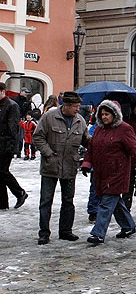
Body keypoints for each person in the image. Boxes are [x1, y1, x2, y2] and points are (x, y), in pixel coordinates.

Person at [82, 100, 136, 245]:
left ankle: (98, 233)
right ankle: (128, 226)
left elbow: (135, 148)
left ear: (114, 114)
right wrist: (87, 164)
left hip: (118, 172)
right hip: (102, 172)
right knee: (114, 201)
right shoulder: (100, 129)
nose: (104, 117)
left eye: (107, 114)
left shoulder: (124, 128)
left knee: (106, 203)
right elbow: (92, 148)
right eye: (102, 114)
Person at [32, 91, 88, 244]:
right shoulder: (49, 117)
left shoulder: (80, 121)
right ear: (67, 106)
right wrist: (48, 153)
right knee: (46, 201)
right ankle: (44, 233)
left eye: (78, 106)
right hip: (50, 166)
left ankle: (66, 231)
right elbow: (37, 137)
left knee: (68, 201)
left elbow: (86, 140)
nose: (78, 109)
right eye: (75, 106)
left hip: (70, 166)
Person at [0, 82, 27, 210]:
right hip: (1, 144)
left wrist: (11, 147)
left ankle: (20, 192)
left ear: (2, 91)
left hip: (6, 145)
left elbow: (12, 128)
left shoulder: (11, 106)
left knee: (3, 171)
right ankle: (2, 203)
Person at [12, 87, 31, 158]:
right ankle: (14, 151)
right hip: (14, 120)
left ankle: (18, 152)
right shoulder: (15, 100)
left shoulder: (27, 101)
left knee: (20, 137)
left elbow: (28, 111)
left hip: (22, 120)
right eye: (25, 92)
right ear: (21, 92)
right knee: (14, 136)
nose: (26, 94)